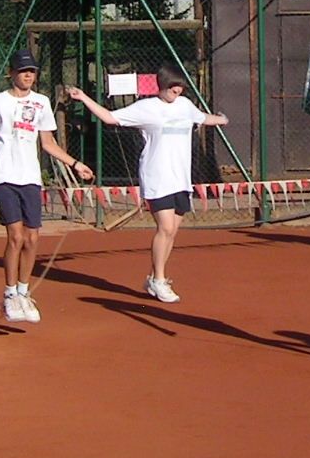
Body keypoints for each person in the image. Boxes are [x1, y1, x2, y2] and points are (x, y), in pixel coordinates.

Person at [0, 49, 92, 323]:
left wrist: (75, 164)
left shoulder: (41, 103)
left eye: (32, 71)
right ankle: (10, 294)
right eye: (23, 71)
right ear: (11, 73)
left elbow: (48, 144)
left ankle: (24, 292)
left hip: (31, 179)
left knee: (33, 238)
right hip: (4, 178)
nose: (27, 76)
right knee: (16, 236)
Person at [65, 63, 229, 303]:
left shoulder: (185, 105)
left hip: (181, 179)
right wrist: (84, 98)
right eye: (173, 88)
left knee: (172, 230)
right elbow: (110, 118)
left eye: (180, 88)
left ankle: (154, 277)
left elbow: (202, 118)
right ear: (161, 86)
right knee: (165, 228)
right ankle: (160, 279)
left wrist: (222, 120)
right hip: (157, 177)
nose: (177, 92)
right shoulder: (146, 108)